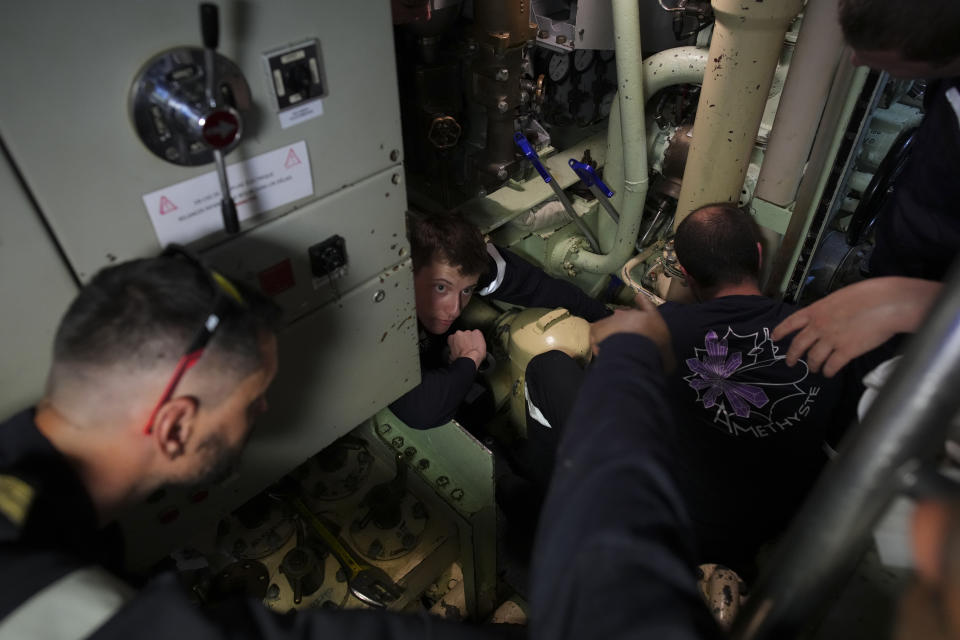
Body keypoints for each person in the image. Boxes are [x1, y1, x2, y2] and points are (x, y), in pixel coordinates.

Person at [0, 246, 497, 639]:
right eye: (252, 401)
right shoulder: (53, 604)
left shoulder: (28, 481)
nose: (263, 413)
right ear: (174, 427)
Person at [527, 203, 885, 579]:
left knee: (546, 369)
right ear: (759, 255)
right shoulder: (825, 329)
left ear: (684, 271)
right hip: (782, 523)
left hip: (680, 531)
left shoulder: (656, 331)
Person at [388, 211, 611, 430]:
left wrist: (605, 320)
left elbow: (538, 287)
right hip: (403, 359)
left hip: (438, 352)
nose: (454, 309)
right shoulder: (382, 314)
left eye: (467, 291)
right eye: (440, 287)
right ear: (410, 272)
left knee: (479, 407)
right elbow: (421, 410)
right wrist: (470, 357)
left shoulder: (469, 264)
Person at [838, 0, 960, 281]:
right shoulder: (946, 74)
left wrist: (918, 297)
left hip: (926, 283)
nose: (855, 59)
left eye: (879, 56)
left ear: (929, 54)